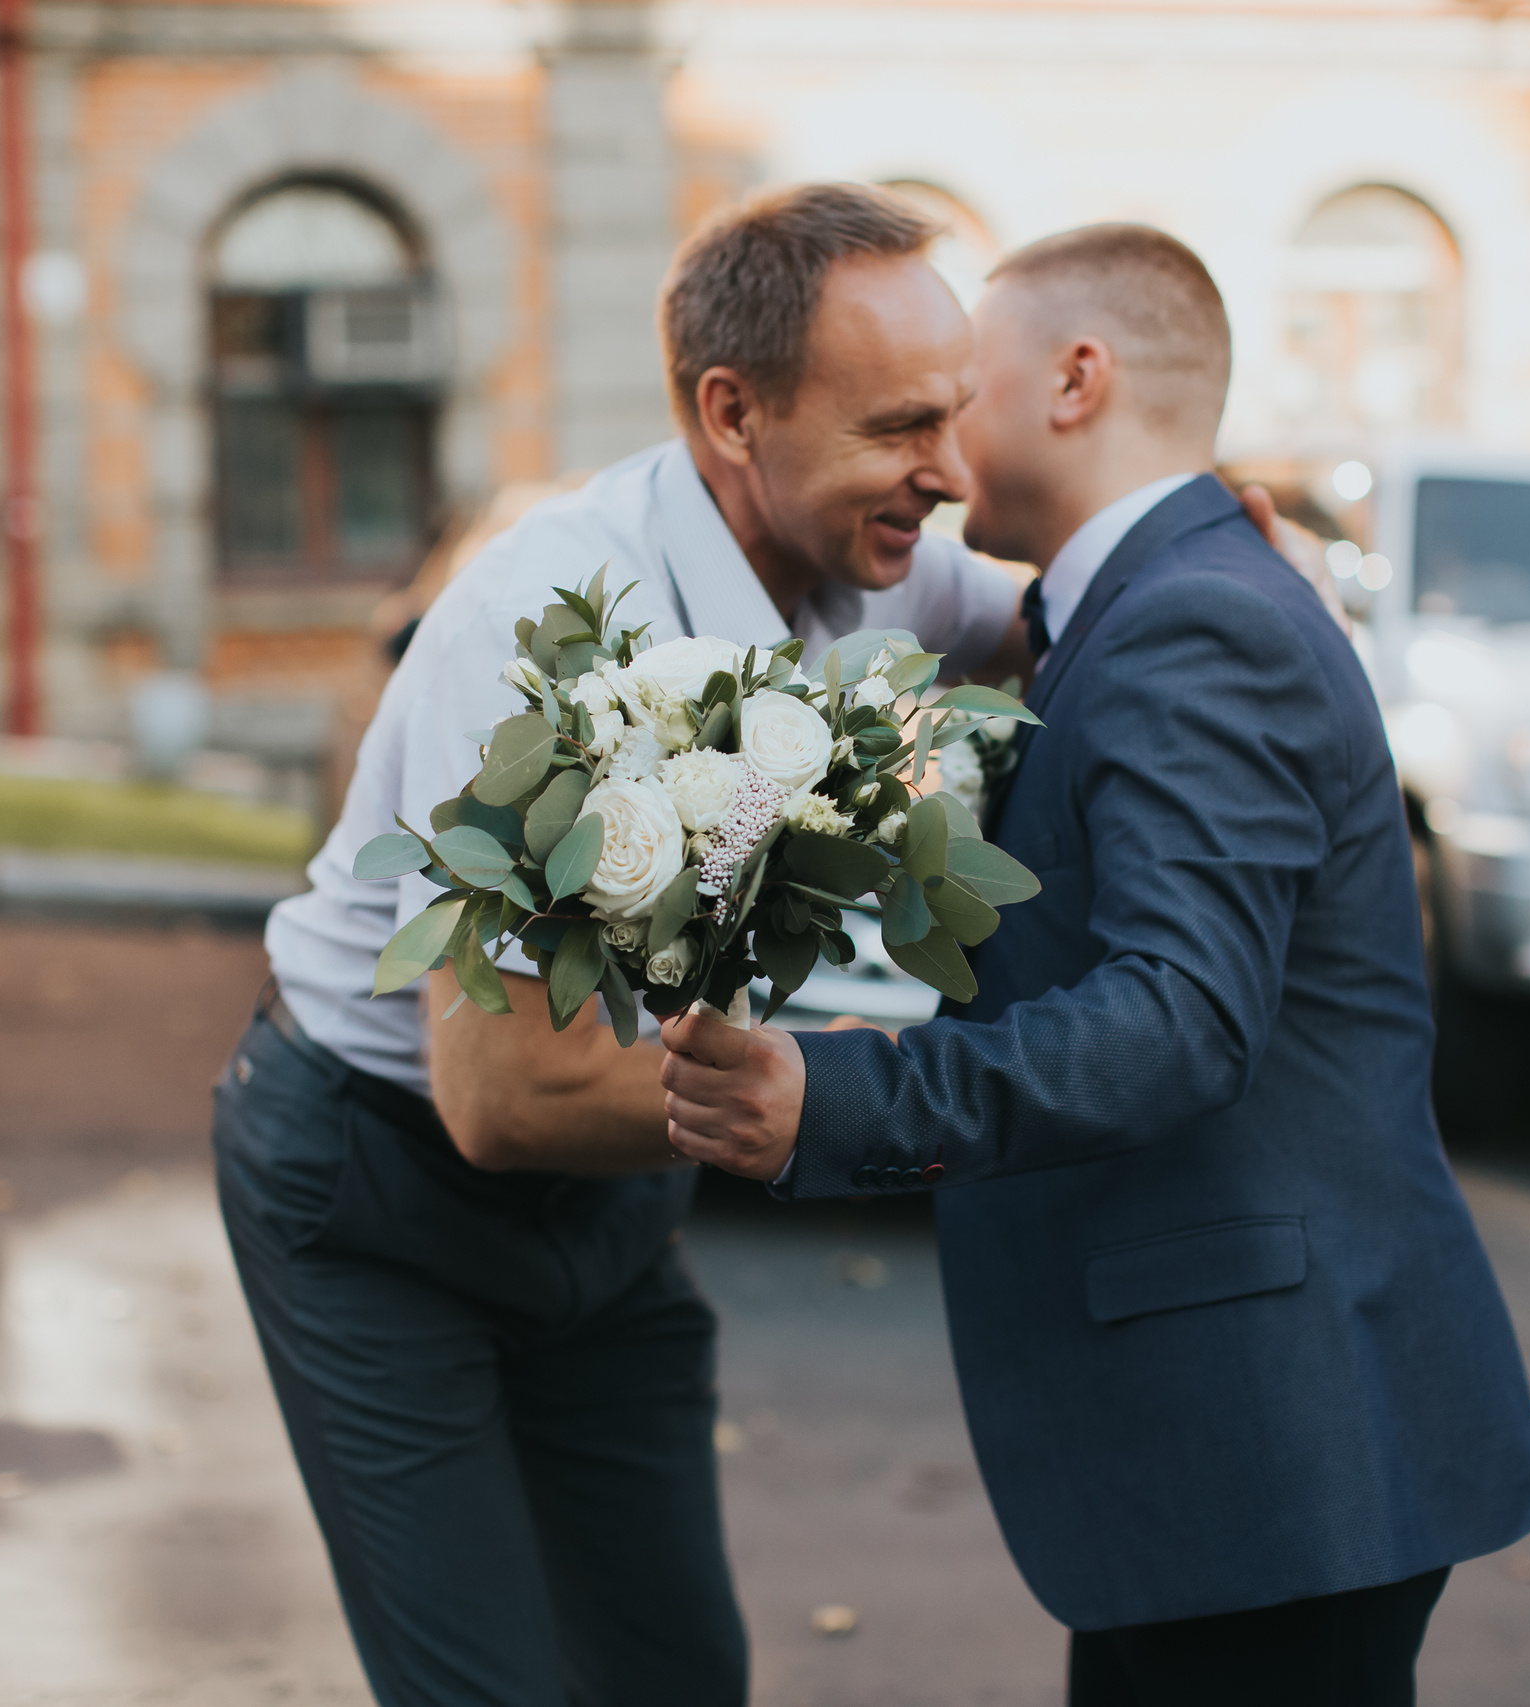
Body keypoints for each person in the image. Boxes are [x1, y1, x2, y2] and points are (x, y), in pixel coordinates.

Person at [655, 223, 1530, 1706]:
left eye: (963, 393)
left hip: (1274, 1432)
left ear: (1078, 380)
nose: (941, 449)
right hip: (1232, 1443)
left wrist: (841, 1103)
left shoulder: (1196, 618)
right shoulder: (1150, 602)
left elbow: (1180, 1019)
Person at [211, 182, 1029, 1707]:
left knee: (676, 1677)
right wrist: (861, 1096)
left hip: (612, 1205)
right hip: (381, 1194)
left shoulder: (861, 543)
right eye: (906, 426)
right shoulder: (551, 636)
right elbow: (501, 1098)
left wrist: (1201, 554)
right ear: (735, 413)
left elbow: (1042, 620)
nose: (957, 472)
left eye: (962, 413)